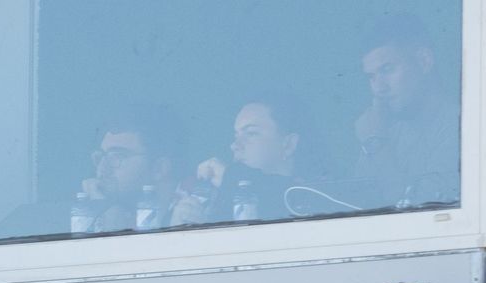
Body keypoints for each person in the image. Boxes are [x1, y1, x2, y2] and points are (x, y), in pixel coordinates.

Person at [352, 17, 459, 209]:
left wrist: (376, 143)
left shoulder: (461, 125)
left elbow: (411, 209)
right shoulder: (386, 130)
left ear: (424, 61)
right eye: (371, 77)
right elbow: (357, 205)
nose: (378, 88)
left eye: (387, 70)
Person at [181, 94, 320, 224]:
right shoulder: (224, 199)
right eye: (236, 135)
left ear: (288, 144)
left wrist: (231, 178)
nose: (234, 145)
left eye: (251, 133)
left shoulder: (319, 199)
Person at [80, 108, 180, 234]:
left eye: (117, 156)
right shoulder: (126, 211)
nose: (102, 168)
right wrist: (108, 209)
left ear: (158, 168)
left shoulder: (200, 211)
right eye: (100, 157)